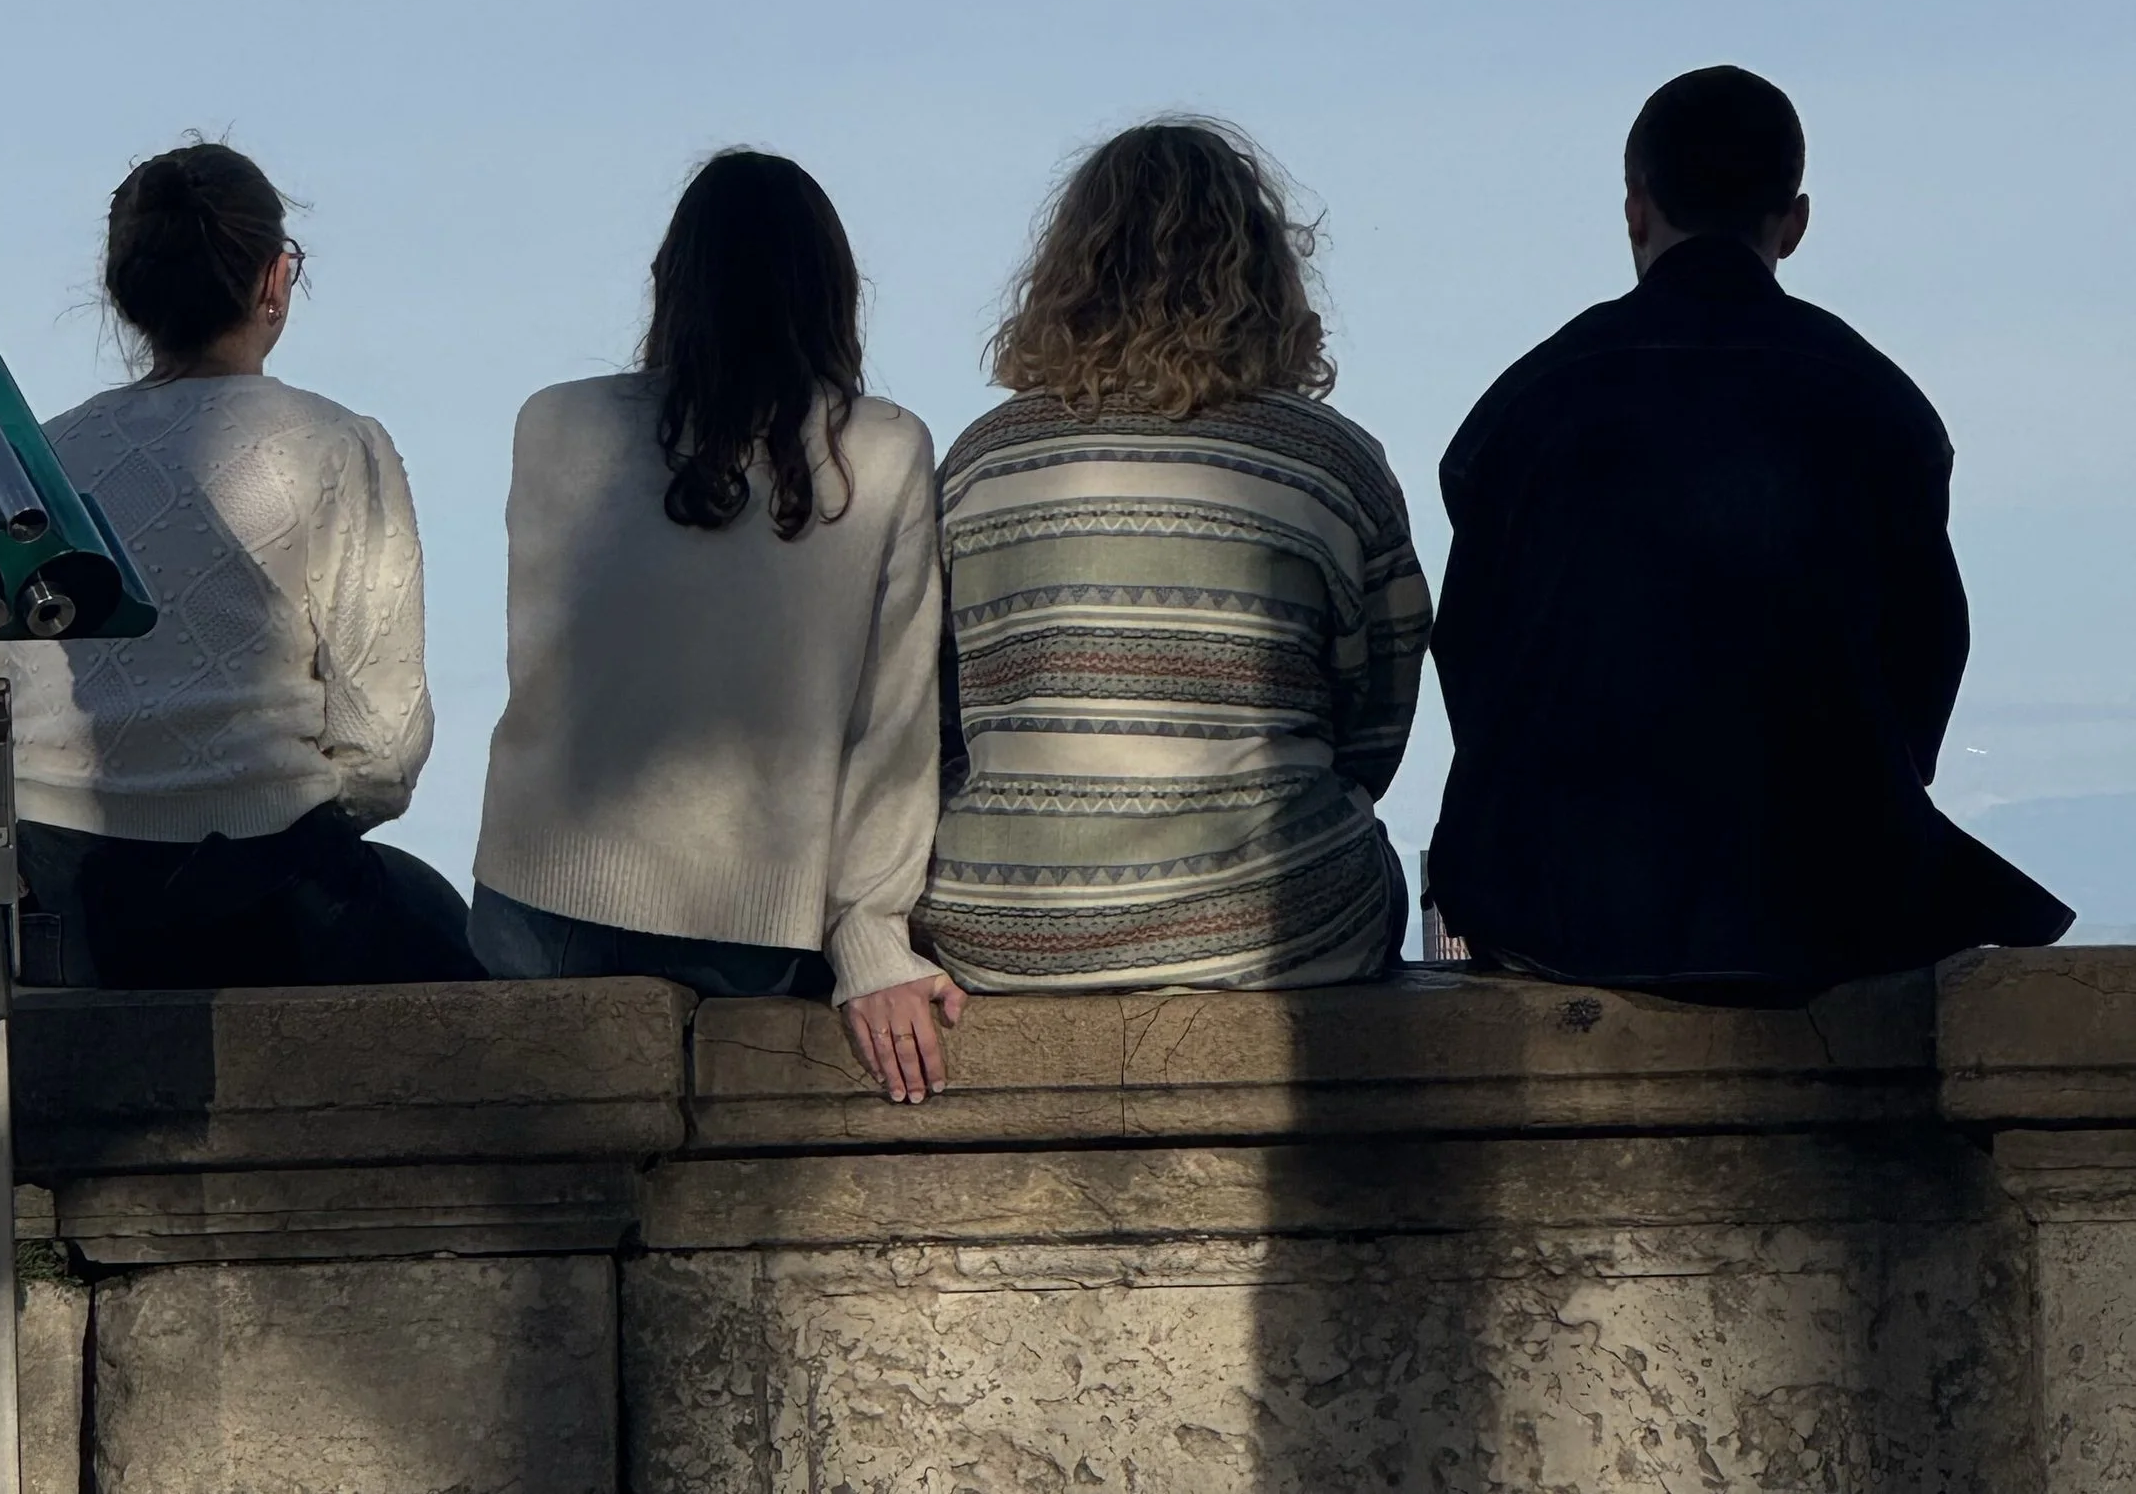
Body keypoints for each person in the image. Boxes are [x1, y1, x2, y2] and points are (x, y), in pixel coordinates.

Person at [1426, 64, 2072, 997]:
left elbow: (1472, 660)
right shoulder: (1879, 402)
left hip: (1559, 898)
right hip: (1819, 893)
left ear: (1635, 208)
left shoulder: (1527, 404)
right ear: (1795, 220)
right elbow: (1927, 648)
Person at [470, 149, 964, 1101]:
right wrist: (870, 939)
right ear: (834, 293)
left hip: (535, 912)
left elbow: (546, 661)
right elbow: (894, 724)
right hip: (755, 933)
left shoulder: (554, 425)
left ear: (670, 284)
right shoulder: (886, 450)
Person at [922, 120, 1431, 991]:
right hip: (1280, 918)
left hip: (1005, 930)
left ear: (1069, 274)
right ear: (1263, 274)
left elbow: (934, 723)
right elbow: (1373, 727)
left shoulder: (980, 464)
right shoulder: (1332, 461)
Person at [9, 142, 477, 987]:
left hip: (62, 896)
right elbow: (383, 750)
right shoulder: (338, 446)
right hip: (269, 890)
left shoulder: (36, 458)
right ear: (274, 281)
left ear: (124, 294)